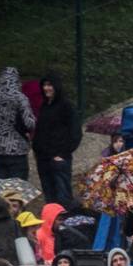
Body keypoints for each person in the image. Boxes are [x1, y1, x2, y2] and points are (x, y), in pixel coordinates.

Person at [30, 74, 77, 206]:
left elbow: (75, 132)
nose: (46, 88)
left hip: (58, 158)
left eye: (50, 85)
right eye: (44, 85)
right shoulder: (45, 106)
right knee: (50, 198)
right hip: (43, 158)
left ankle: (68, 222)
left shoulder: (66, 106)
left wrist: (63, 154)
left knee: (63, 197)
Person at [0, 66, 36, 179]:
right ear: (17, 80)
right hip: (16, 150)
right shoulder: (20, 97)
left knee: (1, 188)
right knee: (17, 190)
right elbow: (29, 123)